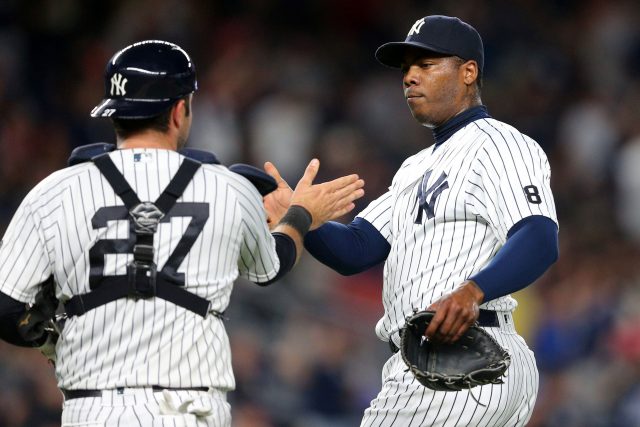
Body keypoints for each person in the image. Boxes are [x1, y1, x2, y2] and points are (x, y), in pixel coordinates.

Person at [0, 40, 364, 426]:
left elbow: (7, 309)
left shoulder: (52, 191)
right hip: (189, 410)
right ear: (179, 111)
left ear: (113, 113)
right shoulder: (229, 188)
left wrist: (51, 339)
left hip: (92, 410)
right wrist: (301, 215)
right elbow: (271, 267)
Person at [263, 15, 559, 426]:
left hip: (459, 356)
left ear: (469, 71)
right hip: (450, 365)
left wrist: (473, 291)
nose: (410, 78)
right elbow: (356, 249)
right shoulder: (415, 167)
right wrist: (298, 218)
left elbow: (539, 236)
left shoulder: (500, 143)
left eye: (426, 65)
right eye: (406, 69)